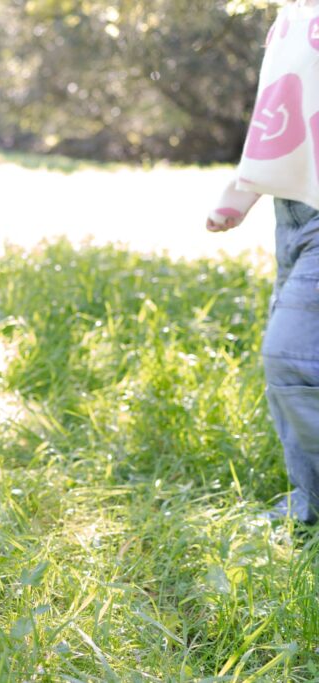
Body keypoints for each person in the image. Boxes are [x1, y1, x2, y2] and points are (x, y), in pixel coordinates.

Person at [207, 0, 319, 523]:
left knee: (292, 360)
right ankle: (309, 502)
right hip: (293, 209)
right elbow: (288, 101)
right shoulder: (292, 11)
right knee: (290, 374)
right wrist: (247, 185)